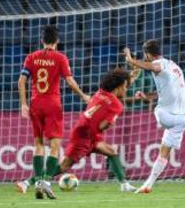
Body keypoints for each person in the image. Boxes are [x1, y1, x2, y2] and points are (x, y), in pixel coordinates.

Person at [35, 68, 137, 199]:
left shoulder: (100, 92)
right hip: (86, 136)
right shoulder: (117, 105)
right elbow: (103, 125)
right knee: (64, 166)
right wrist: (110, 123)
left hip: (83, 131)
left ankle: (124, 184)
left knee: (111, 152)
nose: (127, 90)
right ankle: (39, 181)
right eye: (126, 87)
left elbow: (116, 92)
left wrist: (130, 76)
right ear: (120, 86)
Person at [17, 25, 90, 199]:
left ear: (42, 40)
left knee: (38, 144)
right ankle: (45, 182)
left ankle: (38, 183)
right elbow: (70, 82)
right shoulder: (60, 58)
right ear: (57, 41)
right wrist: (82, 96)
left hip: (35, 104)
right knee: (55, 145)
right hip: (53, 104)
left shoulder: (31, 57)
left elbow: (21, 81)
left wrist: (23, 104)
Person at [124, 40, 185, 193]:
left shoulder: (160, 64)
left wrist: (131, 61)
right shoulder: (173, 65)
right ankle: (148, 184)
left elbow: (153, 66)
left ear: (148, 54)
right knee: (164, 152)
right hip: (182, 116)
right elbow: (165, 90)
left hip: (166, 115)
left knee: (158, 112)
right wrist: (146, 96)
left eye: (145, 56)